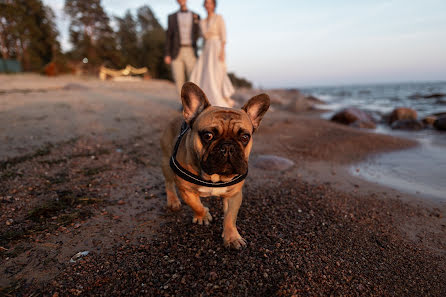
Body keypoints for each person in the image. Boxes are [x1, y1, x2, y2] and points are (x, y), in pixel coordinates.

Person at [189, 0, 235, 107]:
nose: (208, 5)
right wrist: (195, 21)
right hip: (206, 49)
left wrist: (222, 51)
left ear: (214, 5)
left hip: (216, 47)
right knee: (204, 73)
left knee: (218, 73)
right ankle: (207, 98)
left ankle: (221, 97)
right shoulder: (202, 21)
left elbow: (223, 35)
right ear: (204, 5)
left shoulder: (219, 17)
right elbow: (200, 36)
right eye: (206, 3)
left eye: (210, 3)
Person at [165, 0, 201, 97]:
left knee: (193, 79)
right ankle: (184, 104)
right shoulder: (171, 17)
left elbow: (199, 34)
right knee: (178, 79)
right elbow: (169, 36)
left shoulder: (196, 15)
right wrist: (167, 53)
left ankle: (194, 103)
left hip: (191, 50)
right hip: (176, 51)